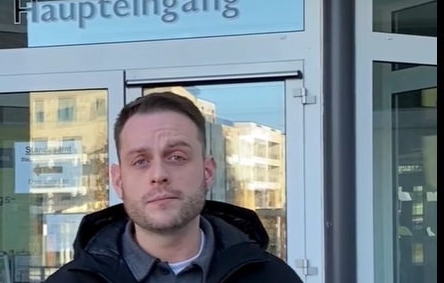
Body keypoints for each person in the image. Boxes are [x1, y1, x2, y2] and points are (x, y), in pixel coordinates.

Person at [44, 91, 304, 283]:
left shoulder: (275, 278)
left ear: (207, 172)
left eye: (177, 157)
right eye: (141, 161)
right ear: (118, 181)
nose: (159, 175)